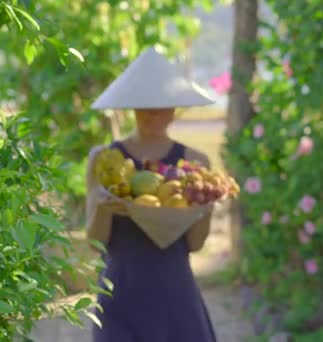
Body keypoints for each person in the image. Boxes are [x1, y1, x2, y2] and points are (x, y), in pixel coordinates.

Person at [85, 46, 218, 342]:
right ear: (131, 106)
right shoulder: (105, 159)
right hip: (120, 293)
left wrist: (204, 209)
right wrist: (104, 209)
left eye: (164, 104)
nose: (156, 113)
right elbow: (95, 242)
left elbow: (194, 245)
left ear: (175, 107)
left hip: (175, 294)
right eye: (147, 104)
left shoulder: (195, 164)